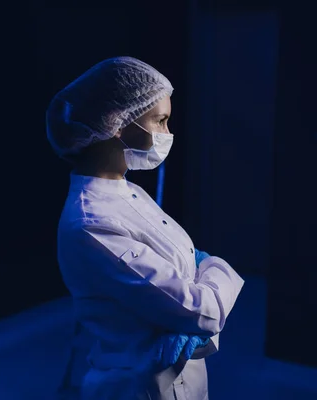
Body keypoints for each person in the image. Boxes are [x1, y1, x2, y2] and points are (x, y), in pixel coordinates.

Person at [47, 56, 245, 400]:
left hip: (175, 377)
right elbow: (205, 311)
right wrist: (215, 266)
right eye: (160, 121)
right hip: (141, 386)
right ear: (117, 122)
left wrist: (200, 271)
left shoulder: (128, 190)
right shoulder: (92, 224)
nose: (167, 134)